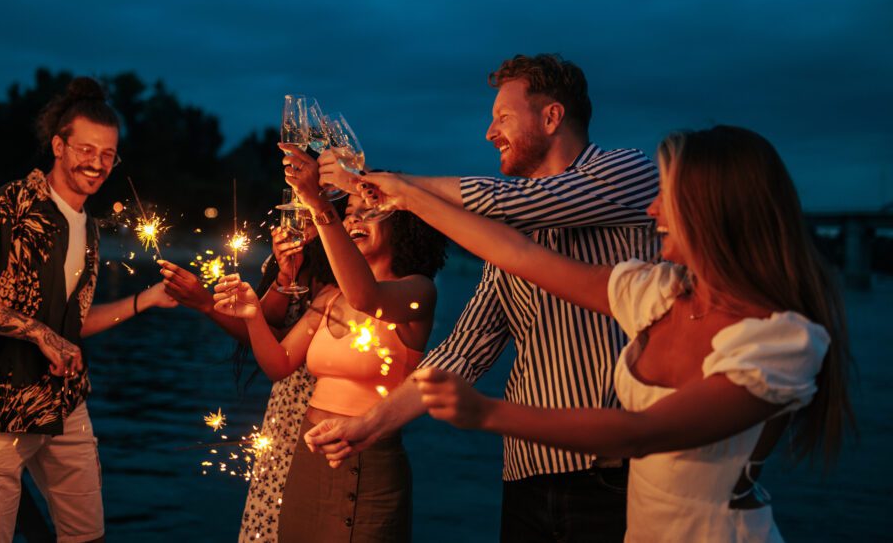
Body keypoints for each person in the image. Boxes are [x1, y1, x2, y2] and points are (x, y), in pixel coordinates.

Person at [365, 125, 855, 542]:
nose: (652, 210)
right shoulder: (659, 293)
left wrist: (487, 412)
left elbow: (642, 433)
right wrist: (407, 196)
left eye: (666, 195)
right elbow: (519, 255)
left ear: (712, 209)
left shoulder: (780, 342)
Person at [307, 54, 659, 541]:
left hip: (619, 472)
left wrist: (395, 188)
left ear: (552, 117)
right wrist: (370, 423)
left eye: (503, 118)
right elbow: (464, 350)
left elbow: (514, 201)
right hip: (527, 472)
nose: (489, 133)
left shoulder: (626, 172)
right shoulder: (500, 238)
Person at [0, 78, 177, 543]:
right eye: (86, 149)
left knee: (86, 535)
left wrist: (148, 299)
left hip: (65, 405)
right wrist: (39, 334)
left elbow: (73, 325)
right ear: (59, 146)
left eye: (108, 154)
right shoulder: (9, 206)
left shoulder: (88, 226)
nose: (98, 163)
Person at [212, 148, 447, 542]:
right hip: (307, 463)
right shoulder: (329, 298)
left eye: (371, 208)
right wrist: (253, 315)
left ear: (404, 222)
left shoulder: (417, 293)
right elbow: (280, 364)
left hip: (366, 464)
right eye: (350, 209)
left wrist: (319, 203)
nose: (355, 217)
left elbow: (366, 297)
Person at [158, 221, 339, 543]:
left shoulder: (342, 269)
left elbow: (281, 341)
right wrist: (284, 275)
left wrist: (205, 303)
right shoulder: (288, 260)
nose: (297, 216)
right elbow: (265, 329)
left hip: (320, 404)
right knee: (271, 517)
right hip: (285, 403)